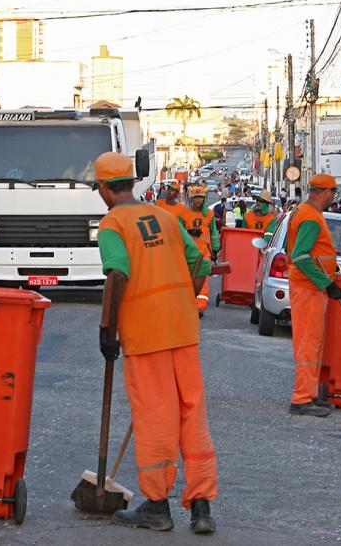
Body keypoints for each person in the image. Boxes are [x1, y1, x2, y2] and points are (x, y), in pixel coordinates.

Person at [92, 152, 217, 534]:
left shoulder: (112, 224)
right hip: (183, 330)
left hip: (146, 337)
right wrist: (183, 301)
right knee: (192, 414)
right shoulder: (165, 217)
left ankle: (158, 506)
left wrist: (107, 329)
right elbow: (201, 264)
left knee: (155, 418)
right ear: (132, 182)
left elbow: (117, 274)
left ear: (103, 188)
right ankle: (201, 507)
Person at [284, 173, 341, 417]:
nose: (334, 197)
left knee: (313, 343)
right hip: (308, 289)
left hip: (310, 288)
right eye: (333, 192)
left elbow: (302, 251)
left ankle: (310, 394)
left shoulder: (306, 212)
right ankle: (301, 399)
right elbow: (300, 255)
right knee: (308, 344)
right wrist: (326, 283)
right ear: (324, 192)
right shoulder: (310, 217)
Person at [182, 185, 218, 315]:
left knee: (203, 281)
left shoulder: (209, 215)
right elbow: (178, 231)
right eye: (196, 197)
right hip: (188, 254)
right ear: (192, 198)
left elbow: (214, 233)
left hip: (204, 254)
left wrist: (215, 250)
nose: (198, 200)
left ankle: (200, 307)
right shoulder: (184, 214)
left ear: (204, 199)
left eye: (200, 198)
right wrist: (189, 232)